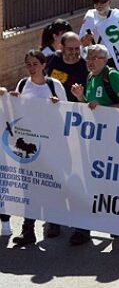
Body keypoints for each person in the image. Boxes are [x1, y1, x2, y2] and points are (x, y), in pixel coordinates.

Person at [67, 44, 119, 245]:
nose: (90, 61)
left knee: (114, 186)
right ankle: (83, 229)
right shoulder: (89, 77)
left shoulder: (111, 76)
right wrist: (81, 97)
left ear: (105, 60)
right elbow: (91, 106)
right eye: (88, 57)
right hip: (95, 140)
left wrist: (104, 109)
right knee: (89, 183)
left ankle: (118, 225)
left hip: (113, 141)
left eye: (95, 57)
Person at [0, 49, 66, 244]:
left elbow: (67, 112)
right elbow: (16, 112)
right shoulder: (22, 84)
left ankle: (54, 221)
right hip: (28, 144)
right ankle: (28, 230)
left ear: (43, 65)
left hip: (49, 144)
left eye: (35, 64)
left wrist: (57, 105)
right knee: (29, 187)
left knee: (50, 185)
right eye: (28, 64)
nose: (31, 68)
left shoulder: (54, 86)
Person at [45, 32, 88, 102]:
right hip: (51, 104)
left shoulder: (85, 67)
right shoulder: (52, 58)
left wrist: (80, 96)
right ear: (61, 48)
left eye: (77, 48)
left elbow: (86, 100)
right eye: (70, 49)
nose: (74, 52)